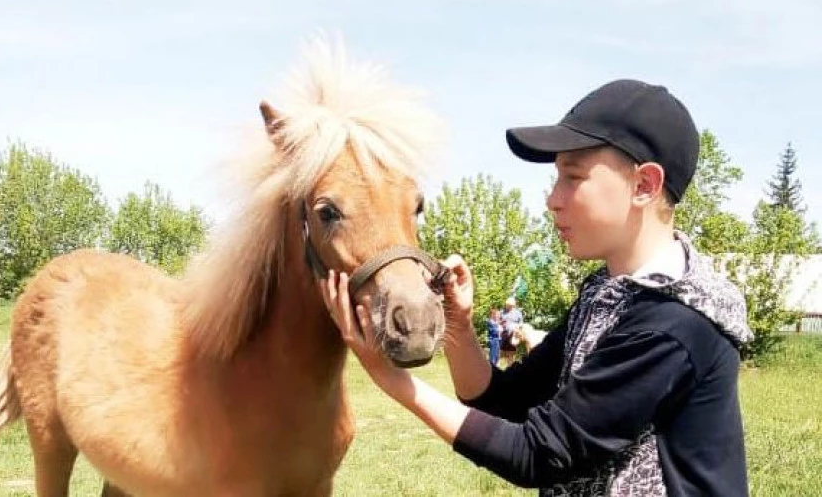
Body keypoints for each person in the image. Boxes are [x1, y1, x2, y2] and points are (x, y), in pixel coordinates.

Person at [319, 79, 753, 496]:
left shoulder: (673, 320)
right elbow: (505, 402)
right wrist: (459, 327)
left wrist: (391, 379)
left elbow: (539, 453)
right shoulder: (607, 296)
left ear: (644, 185)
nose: (552, 199)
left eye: (573, 177)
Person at [499, 297, 523, 366]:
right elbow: (498, 322)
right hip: (503, 334)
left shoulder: (518, 313)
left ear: (513, 305)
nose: (508, 306)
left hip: (513, 335)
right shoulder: (502, 312)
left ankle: (510, 368)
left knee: (511, 353)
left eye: (510, 305)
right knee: (501, 352)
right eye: (507, 305)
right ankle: (501, 368)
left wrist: (517, 327)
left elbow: (521, 323)